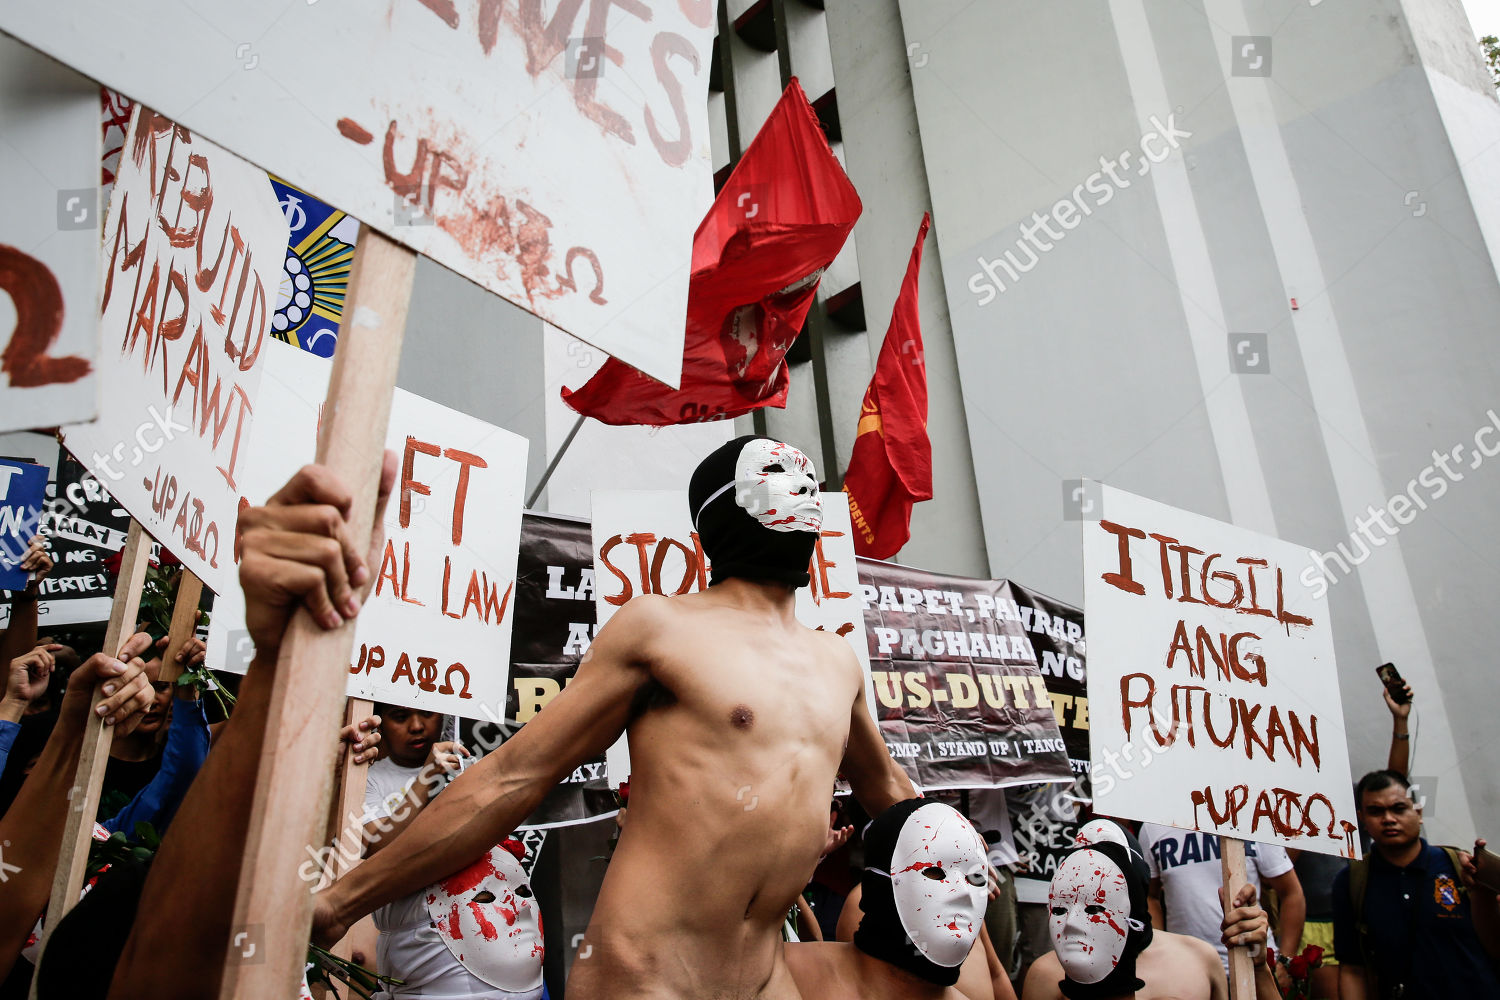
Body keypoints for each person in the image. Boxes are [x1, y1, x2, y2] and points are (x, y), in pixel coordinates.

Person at [314, 435, 917, 1000]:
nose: (801, 488)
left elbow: (892, 793)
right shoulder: (661, 628)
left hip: (763, 979)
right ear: (718, 513)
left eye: (806, 477)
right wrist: (342, 901)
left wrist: (948, 853)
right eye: (777, 475)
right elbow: (514, 775)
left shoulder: (837, 662)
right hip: (647, 976)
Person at [0, 630, 154, 980]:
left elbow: (175, 781)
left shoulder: (101, 837)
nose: (41, 779)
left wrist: (78, 731)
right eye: (34, 765)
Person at [1022, 818, 1280, 1000]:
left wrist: (1258, 968)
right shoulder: (1046, 975)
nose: (1073, 922)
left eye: (1094, 906)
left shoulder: (1199, 959)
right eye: (1061, 908)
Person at [812, 799, 1014, 1000]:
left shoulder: (964, 903)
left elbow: (996, 972)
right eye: (935, 870)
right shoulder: (866, 904)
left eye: (974, 877)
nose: (963, 891)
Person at [1331, 769, 1500, 999]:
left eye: (1399, 808)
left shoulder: (1461, 869)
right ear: (1362, 819)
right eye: (1376, 811)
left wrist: (1484, 891)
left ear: (1418, 812)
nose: (1388, 818)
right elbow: (1352, 969)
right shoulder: (1351, 882)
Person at [1139, 822, 1304, 978]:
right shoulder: (1153, 826)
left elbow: (1291, 893)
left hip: (1255, 968)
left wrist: (1285, 962)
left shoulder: (1250, 816)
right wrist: (1161, 953)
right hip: (1188, 974)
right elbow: (1150, 896)